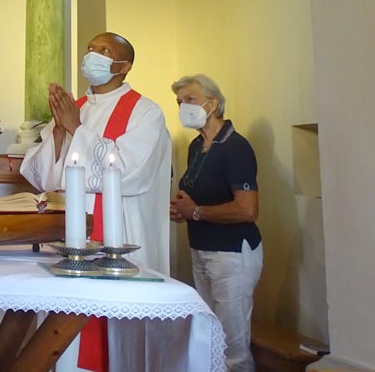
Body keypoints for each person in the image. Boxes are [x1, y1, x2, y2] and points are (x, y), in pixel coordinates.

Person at [20, 32, 172, 372]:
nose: (93, 55)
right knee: (65, 342)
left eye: (105, 50)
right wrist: (59, 131)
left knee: (117, 343)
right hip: (69, 233)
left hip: (118, 232)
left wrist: (77, 129)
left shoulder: (146, 111)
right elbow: (44, 177)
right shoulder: (76, 107)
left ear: (124, 65)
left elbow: (129, 171)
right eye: (91, 48)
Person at [169, 74, 262, 372]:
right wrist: (182, 210)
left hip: (231, 253)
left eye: (190, 100)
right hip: (202, 249)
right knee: (210, 336)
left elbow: (247, 210)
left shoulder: (235, 146)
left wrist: (195, 211)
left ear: (213, 103)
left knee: (232, 345)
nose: (183, 107)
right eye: (179, 102)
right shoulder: (197, 146)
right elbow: (199, 197)